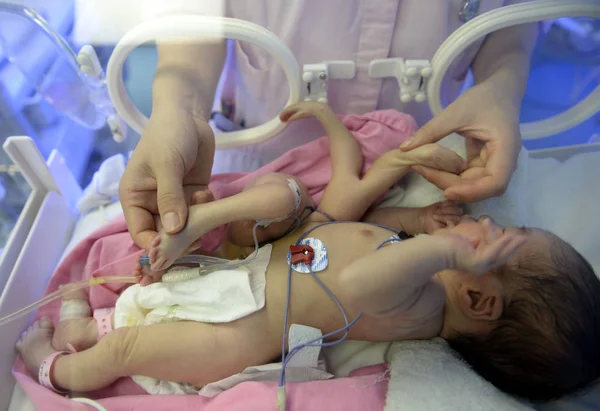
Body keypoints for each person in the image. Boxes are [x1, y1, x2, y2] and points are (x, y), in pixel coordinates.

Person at [17, 97, 599, 400]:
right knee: (283, 198)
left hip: (240, 332)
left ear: (480, 299)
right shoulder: (415, 254)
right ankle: (89, 327)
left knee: (134, 351)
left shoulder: (421, 306)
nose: (491, 226)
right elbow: (365, 222)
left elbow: (358, 282)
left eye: (503, 241)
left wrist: (447, 251)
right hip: (246, 268)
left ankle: (62, 369)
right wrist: (421, 219)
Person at [118, 1, 539, 252]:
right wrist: (178, 108)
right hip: (255, 148)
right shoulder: (323, 205)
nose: (489, 232)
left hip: (425, 157)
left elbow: (514, 19)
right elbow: (193, 20)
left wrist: (501, 85)